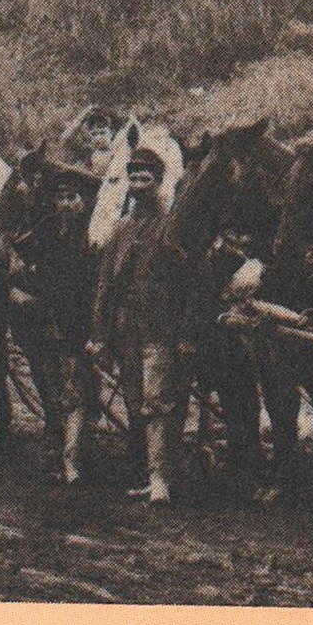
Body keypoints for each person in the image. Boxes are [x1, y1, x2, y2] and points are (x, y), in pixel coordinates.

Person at [88, 148, 184, 504]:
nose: (138, 184)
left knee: (157, 401)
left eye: (146, 177)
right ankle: (148, 473)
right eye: (133, 177)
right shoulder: (122, 230)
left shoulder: (172, 226)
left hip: (160, 328)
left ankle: (161, 479)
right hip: (126, 330)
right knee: (134, 402)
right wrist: (99, 335)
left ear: (159, 181)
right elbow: (105, 285)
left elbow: (187, 281)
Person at [12, 159, 101, 484]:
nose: (65, 204)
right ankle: (62, 449)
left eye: (72, 198)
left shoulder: (91, 239)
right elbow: (28, 270)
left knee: (74, 392)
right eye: (60, 197)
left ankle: (72, 460)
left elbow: (89, 289)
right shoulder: (45, 234)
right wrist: (19, 293)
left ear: (84, 201)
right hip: (44, 323)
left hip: (75, 326)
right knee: (51, 388)